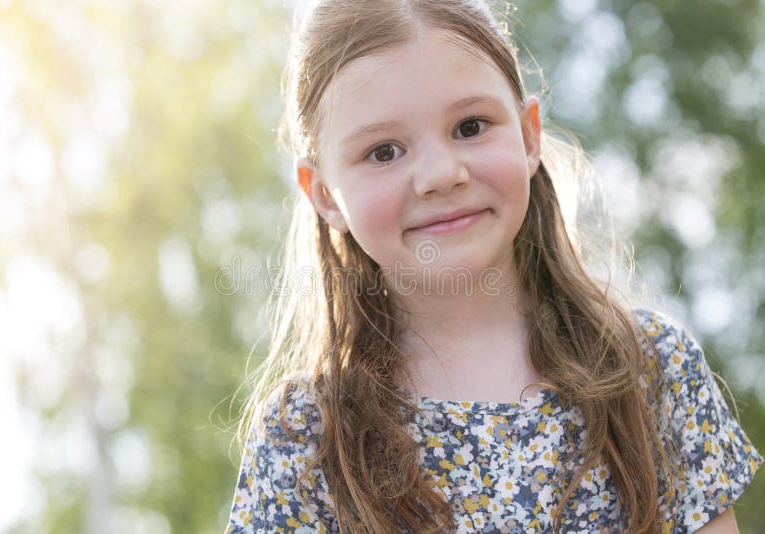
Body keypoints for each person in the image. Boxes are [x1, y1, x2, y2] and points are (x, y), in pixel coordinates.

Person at [223, 1, 762, 532]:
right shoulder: (307, 434)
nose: (439, 174)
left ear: (529, 136)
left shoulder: (649, 368)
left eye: (470, 126)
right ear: (324, 195)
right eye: (384, 152)